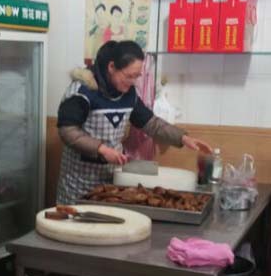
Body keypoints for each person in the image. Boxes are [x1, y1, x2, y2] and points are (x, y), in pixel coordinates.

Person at [56, 40, 212, 203]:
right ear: (111, 67)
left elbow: (151, 123)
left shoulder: (129, 94)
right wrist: (101, 149)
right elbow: (67, 131)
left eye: (137, 76)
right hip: (79, 182)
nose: (133, 81)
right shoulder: (82, 91)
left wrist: (182, 138)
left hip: (112, 182)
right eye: (129, 76)